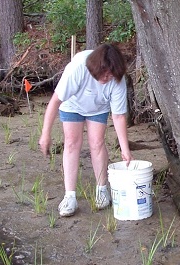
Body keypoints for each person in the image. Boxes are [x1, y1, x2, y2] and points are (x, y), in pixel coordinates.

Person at [39, 43, 133, 217]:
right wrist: (46, 134)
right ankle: (70, 196)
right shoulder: (78, 68)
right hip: (72, 104)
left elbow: (118, 116)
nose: (108, 77)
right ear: (98, 67)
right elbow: (55, 102)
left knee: (97, 143)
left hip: (98, 107)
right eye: (105, 73)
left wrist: (125, 149)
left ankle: (102, 189)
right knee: (72, 143)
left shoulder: (118, 80)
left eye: (111, 75)